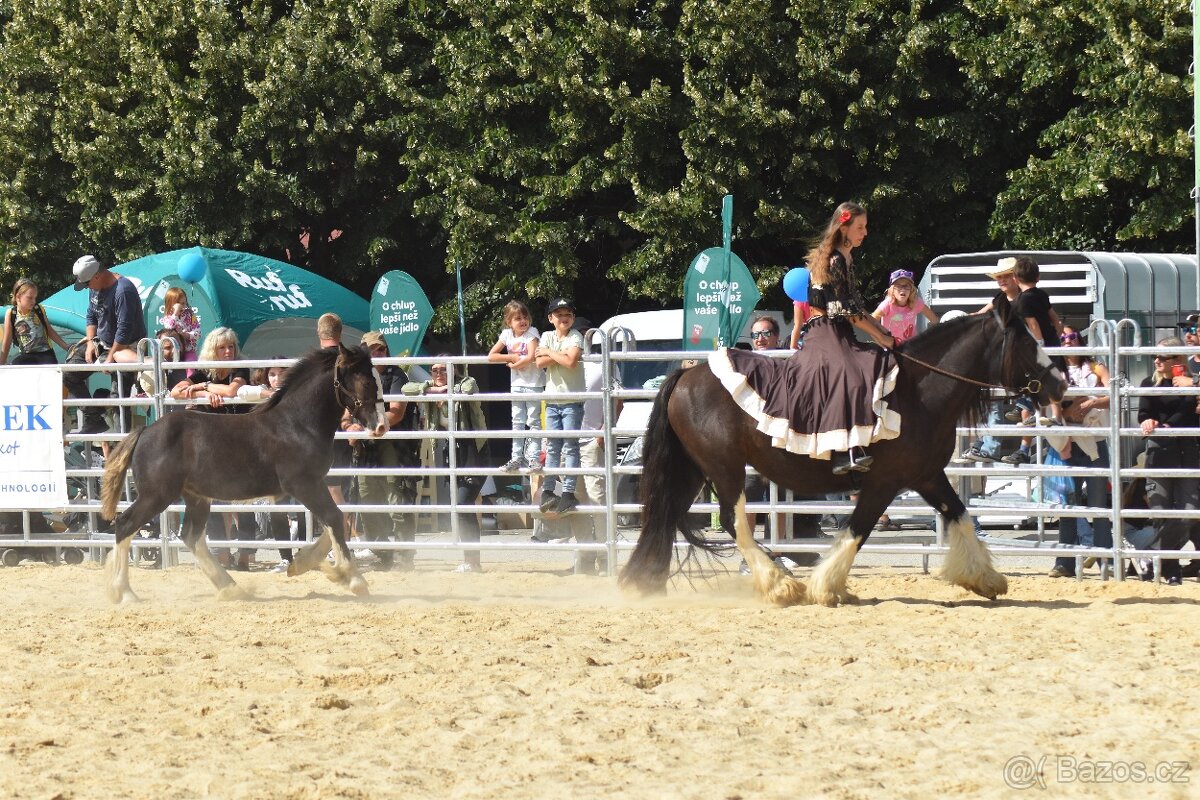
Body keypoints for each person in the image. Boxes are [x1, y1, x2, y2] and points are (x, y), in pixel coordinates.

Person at [800, 201, 896, 474]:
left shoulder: (846, 256)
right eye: (860, 227)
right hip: (824, 330)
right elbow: (846, 311)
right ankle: (843, 450)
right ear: (844, 227)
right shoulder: (835, 259)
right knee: (851, 372)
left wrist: (883, 332)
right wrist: (881, 337)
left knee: (875, 360)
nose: (865, 232)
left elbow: (855, 306)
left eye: (865, 227)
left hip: (839, 328)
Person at [170, 327, 255, 569]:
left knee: (244, 500)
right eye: (222, 347)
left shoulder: (240, 368)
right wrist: (200, 388)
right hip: (214, 447)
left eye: (230, 347)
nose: (228, 351)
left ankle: (245, 556)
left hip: (241, 442)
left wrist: (204, 388)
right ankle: (222, 555)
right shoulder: (203, 371)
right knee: (214, 501)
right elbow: (176, 391)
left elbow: (231, 391)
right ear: (213, 350)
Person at [403, 358, 488, 573]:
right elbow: (406, 388)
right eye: (434, 370)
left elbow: (469, 388)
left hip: (472, 451)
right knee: (461, 505)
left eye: (444, 369)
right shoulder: (429, 387)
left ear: (454, 370)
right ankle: (471, 560)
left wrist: (443, 392)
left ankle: (473, 560)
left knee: (463, 502)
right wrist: (430, 389)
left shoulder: (466, 381)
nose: (439, 373)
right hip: (453, 452)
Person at [1047, 327, 1113, 578]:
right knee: (1068, 505)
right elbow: (1049, 402)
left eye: (1071, 337)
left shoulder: (1097, 367)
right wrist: (1065, 412)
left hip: (1094, 440)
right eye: (1062, 338)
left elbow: (1112, 394)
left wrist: (1089, 402)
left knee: (1098, 505)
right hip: (1069, 443)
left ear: (1080, 341)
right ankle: (1064, 562)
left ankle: (1105, 560)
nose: (1066, 341)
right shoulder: (1056, 371)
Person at [348, 331, 416, 571]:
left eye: (381, 349)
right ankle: (382, 553)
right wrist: (350, 427)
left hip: (392, 447)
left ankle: (403, 555)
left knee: (397, 497)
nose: (377, 354)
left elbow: (396, 412)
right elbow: (346, 416)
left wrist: (371, 423)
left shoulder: (396, 375)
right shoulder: (357, 377)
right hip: (367, 448)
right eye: (372, 350)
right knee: (367, 500)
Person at [1136, 336, 1200, 586]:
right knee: (1161, 511)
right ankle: (1171, 568)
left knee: (1188, 512)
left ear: (1178, 359)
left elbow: (1185, 412)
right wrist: (1147, 421)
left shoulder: (1189, 383)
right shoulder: (1147, 382)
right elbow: (1144, 410)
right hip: (1159, 454)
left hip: (1188, 453)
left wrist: (1166, 424)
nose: (1157, 360)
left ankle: (1152, 555)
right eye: (1155, 356)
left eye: (1163, 356)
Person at [64, 255, 149, 434]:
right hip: (101, 343)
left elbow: (124, 330)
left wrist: (110, 357)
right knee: (69, 372)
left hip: (126, 347)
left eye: (87, 284)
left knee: (118, 399)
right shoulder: (94, 286)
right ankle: (93, 417)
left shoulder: (123, 290)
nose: (87, 287)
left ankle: (123, 448)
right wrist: (89, 342)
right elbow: (91, 316)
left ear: (96, 276)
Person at [1001, 256, 1064, 464]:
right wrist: (1057, 336)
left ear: (1016, 279)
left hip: (1039, 348)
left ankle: (1025, 410)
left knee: (1031, 381)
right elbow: (1055, 319)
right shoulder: (1042, 295)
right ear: (1038, 277)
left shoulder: (1022, 301)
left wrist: (1039, 345)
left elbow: (1033, 323)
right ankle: (1053, 415)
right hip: (1053, 344)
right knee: (1052, 381)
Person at [961, 260, 1022, 463]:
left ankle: (991, 447)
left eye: (1006, 275)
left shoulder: (1025, 300)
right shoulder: (1000, 299)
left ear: (1017, 276)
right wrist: (959, 323)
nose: (1002, 280)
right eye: (999, 277)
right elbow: (979, 315)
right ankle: (985, 443)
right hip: (1000, 358)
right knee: (989, 400)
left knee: (995, 401)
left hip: (1019, 360)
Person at [535, 298, 585, 514]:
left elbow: (571, 361)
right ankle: (549, 491)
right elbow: (539, 363)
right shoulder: (546, 336)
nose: (564, 318)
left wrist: (550, 354)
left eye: (568, 315)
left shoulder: (576, 336)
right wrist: (560, 356)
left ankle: (567, 493)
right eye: (559, 315)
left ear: (573, 318)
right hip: (552, 400)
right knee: (553, 446)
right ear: (550, 318)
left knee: (571, 446)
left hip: (571, 400)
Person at [488, 300, 545, 473]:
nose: (523, 321)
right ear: (509, 322)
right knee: (518, 421)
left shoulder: (532, 332)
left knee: (534, 421)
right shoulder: (507, 334)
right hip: (517, 385)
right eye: (517, 318)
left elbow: (531, 356)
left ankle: (534, 458)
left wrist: (516, 362)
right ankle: (516, 457)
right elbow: (492, 356)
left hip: (534, 383)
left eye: (525, 317)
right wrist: (512, 358)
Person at [316, 312, 355, 536]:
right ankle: (346, 537)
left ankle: (345, 538)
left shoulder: (314, 361)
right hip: (338, 431)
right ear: (340, 333)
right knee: (336, 487)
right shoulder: (347, 361)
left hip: (319, 434)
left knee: (332, 488)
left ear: (319, 332)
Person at [0, 277, 70, 366]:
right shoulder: (11, 314)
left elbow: (49, 331)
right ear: (18, 297)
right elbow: (7, 341)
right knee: (15, 367)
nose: (33, 301)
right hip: (26, 354)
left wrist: (66, 346)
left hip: (45, 352)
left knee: (50, 371)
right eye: (30, 298)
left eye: (35, 298)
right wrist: (1, 364)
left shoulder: (38, 309)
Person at [872, 269, 938, 344]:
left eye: (906, 286)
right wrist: (880, 339)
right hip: (890, 347)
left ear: (912, 289)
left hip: (911, 346)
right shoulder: (887, 305)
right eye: (898, 286)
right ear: (892, 289)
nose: (902, 289)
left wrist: (929, 338)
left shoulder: (916, 302)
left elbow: (934, 320)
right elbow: (871, 321)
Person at [158, 286, 201, 361]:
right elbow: (169, 328)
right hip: (174, 351)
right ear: (170, 304)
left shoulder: (190, 314)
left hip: (189, 350)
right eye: (179, 304)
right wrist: (175, 313)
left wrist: (187, 335)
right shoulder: (168, 318)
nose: (183, 306)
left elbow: (198, 333)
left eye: (184, 303)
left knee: (190, 367)